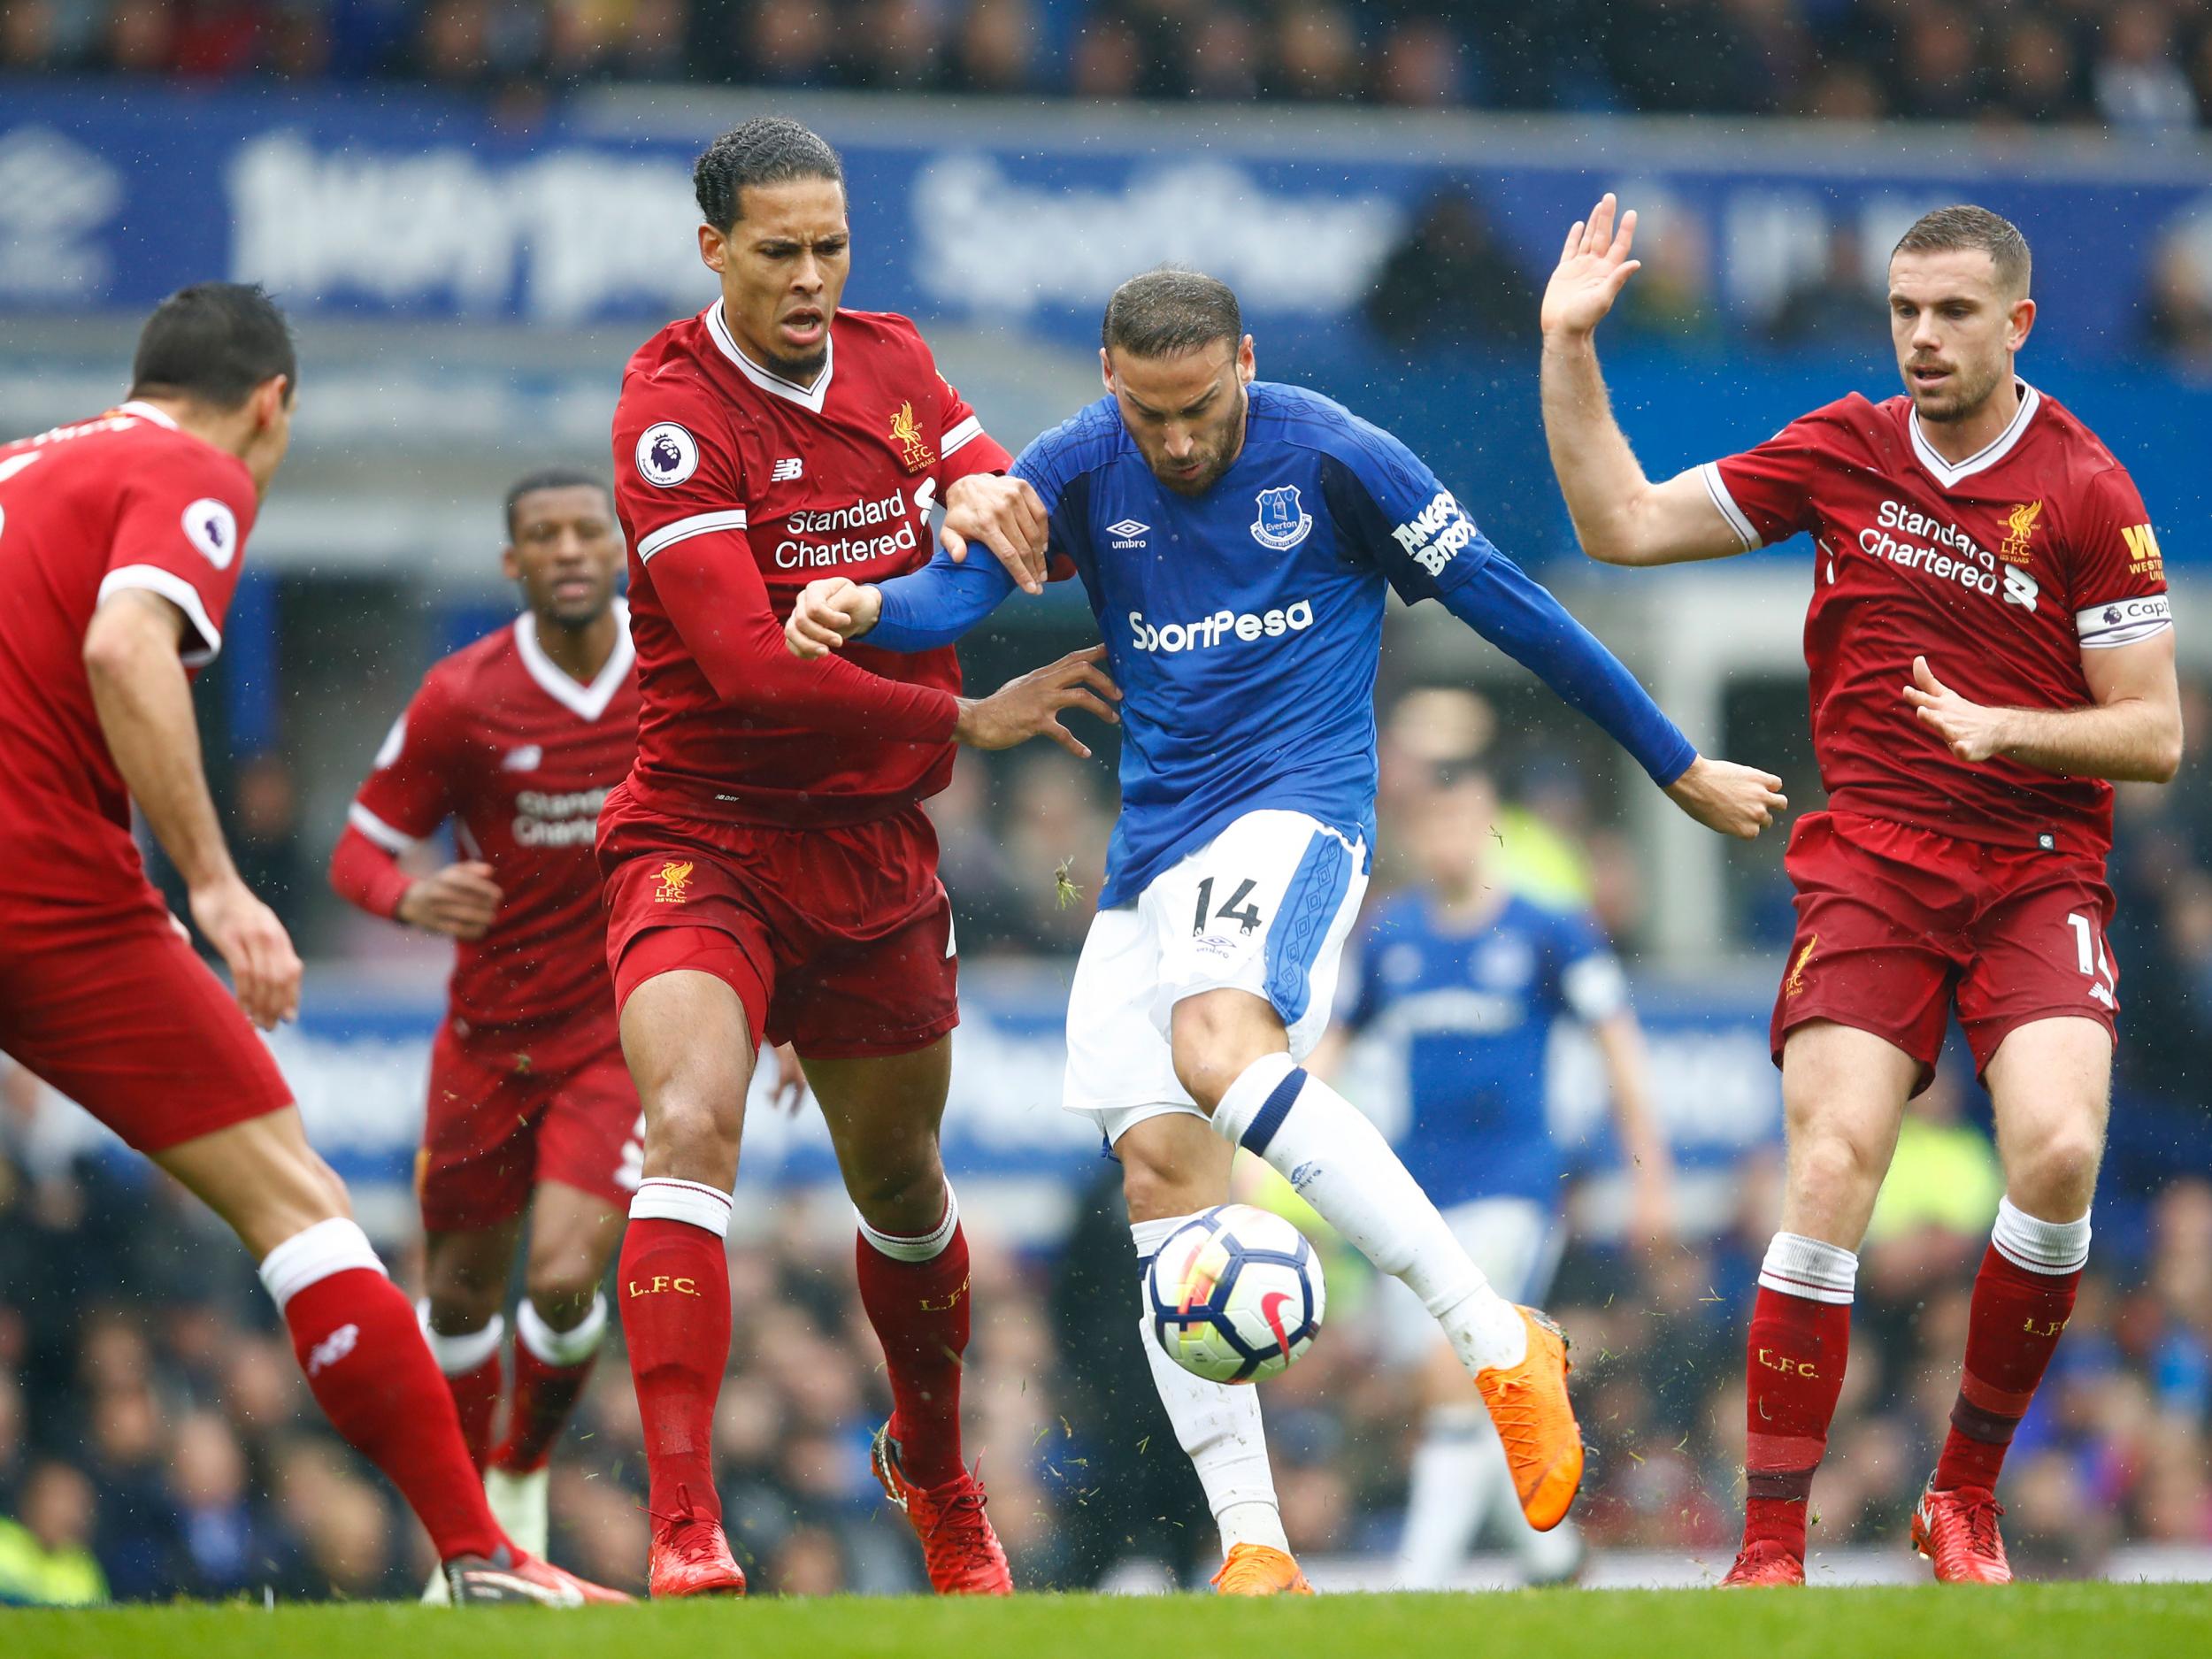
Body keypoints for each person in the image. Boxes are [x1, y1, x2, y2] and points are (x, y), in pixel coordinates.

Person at [785, 265, 1786, 1594]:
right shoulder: (1081, 464)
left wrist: (1672, 762)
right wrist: (866, 607)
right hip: (1150, 858)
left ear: (1246, 361)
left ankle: (1497, 1339)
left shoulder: (1337, 458)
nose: (1179, 439)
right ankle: (1256, 1541)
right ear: (1106, 383)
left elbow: (1517, 607)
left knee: (1218, 1041)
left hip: (1298, 814)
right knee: (1160, 1181)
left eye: (1199, 407)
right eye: (1150, 416)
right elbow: (958, 590)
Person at [1538, 196, 2181, 1585]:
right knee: (1829, 1164)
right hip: (1877, 860)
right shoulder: (1842, 449)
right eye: (1904, 311)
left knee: (2061, 1150)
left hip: (2034, 868)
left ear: (2018, 324)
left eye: (1954, 313)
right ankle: (1771, 1548)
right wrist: (1567, 347)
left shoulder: (2088, 489)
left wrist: (2014, 727)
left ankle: (1960, 1494)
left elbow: (2158, 733)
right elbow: (1624, 525)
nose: (1924, 338)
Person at [0, 283, 619, 1606]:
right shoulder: (186, 466)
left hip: (52, 874)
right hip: (42, 890)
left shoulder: (22, 464)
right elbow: (124, 643)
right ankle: (481, 1552)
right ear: (272, 404)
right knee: (301, 1205)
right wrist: (218, 884)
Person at [600, 116, 1118, 1599]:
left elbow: (1005, 519)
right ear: (713, 250)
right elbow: (753, 675)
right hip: (703, 836)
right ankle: (687, 1522)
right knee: (691, 1123)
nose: (813, 277)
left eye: (831, 246)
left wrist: (962, 516)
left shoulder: (893, 361)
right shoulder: (671, 410)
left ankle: (940, 1475)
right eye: (781, 252)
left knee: (901, 1190)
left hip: (875, 856)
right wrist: (967, 705)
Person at [329, 467, 639, 1583]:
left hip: (617, 1033)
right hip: (483, 1044)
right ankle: (465, 1548)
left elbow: (758, 833)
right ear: (512, 564)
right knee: (458, 1298)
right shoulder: (463, 696)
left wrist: (788, 1004)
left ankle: (519, 1470)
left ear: (620, 549)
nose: (566, 551)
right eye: (541, 537)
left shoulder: (675, 678)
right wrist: (405, 895)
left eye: (584, 532)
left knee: (562, 1277)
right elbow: (358, 848)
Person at [1315, 739, 1674, 1588]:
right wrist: (1264, 1147)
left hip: (1516, 1183)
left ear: (1490, 827)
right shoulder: (1391, 933)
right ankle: (1550, 1553)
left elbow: (1617, 1041)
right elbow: (1334, 1042)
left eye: (1461, 819)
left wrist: (1648, 1173)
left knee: (1454, 1369)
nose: (1446, 838)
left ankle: (1418, 1581)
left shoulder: (1549, 927)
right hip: (1414, 1192)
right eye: (1429, 822)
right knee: (1459, 1384)